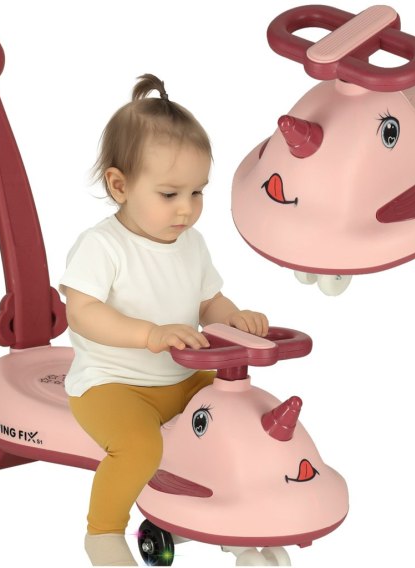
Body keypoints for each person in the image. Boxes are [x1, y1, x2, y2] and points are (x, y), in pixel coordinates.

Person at [60, 74, 268, 566]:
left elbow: (208, 302)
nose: (187, 209)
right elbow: (82, 313)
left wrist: (235, 318)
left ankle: (223, 517)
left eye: (198, 192)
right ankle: (103, 532)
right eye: (170, 194)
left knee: (236, 419)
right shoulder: (102, 246)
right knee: (138, 447)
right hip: (113, 384)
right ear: (120, 186)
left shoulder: (192, 245)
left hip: (182, 377)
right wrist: (148, 335)